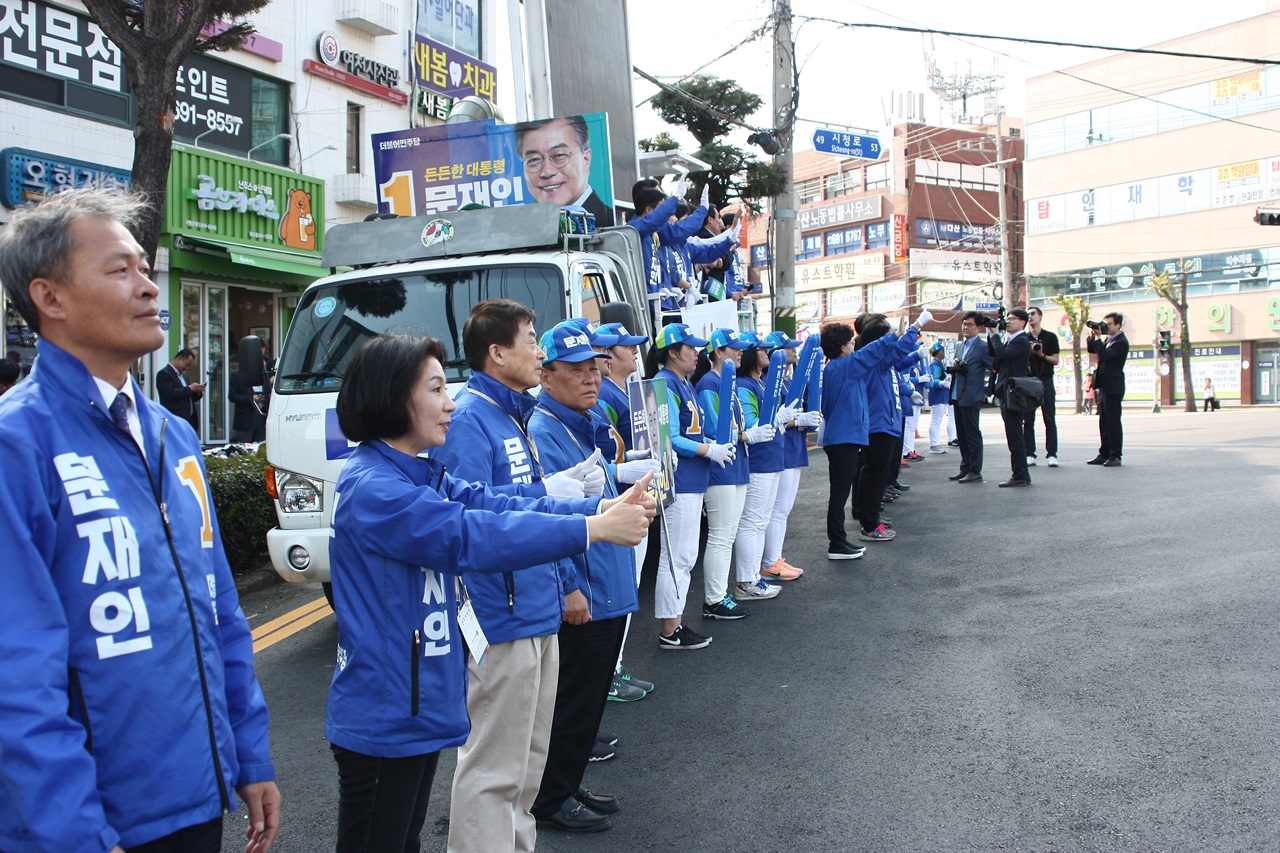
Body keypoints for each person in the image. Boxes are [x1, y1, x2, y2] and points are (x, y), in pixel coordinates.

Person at [0, 187, 280, 853]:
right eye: (120, 270)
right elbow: (17, 671)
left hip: (194, 795)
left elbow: (218, 611)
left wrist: (249, 749)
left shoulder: (173, 437)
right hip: (90, 819)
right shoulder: (18, 442)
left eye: (146, 268)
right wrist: (74, 831)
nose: (148, 288)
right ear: (51, 297)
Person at [326, 333, 650, 852]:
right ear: (391, 397)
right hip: (386, 707)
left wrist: (592, 510)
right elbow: (472, 535)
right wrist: (593, 529)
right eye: (435, 389)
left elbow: (495, 504)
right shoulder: (376, 489)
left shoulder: (416, 474)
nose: (449, 402)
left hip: (415, 699)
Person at [435, 299, 607, 853]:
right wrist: (552, 495)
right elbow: (470, 521)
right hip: (500, 615)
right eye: (531, 339)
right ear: (497, 351)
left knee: (528, 765)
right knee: (493, 767)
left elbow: (530, 516)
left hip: (534, 607)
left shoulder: (514, 412)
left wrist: (559, 585)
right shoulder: (468, 418)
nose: (539, 350)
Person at [527, 322, 658, 834]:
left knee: (586, 702)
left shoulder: (584, 419)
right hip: (587, 588)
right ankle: (552, 798)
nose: (590, 378)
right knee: (572, 703)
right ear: (546, 374)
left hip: (608, 580)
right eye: (576, 370)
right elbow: (548, 520)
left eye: (593, 368)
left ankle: (568, 782)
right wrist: (569, 587)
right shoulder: (543, 430)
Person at [820, 309, 931, 559]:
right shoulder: (842, 367)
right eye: (850, 343)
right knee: (839, 495)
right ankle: (836, 543)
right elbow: (872, 351)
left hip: (844, 437)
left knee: (841, 493)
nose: (854, 346)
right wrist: (903, 332)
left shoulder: (841, 367)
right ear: (841, 347)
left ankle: (839, 541)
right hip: (843, 438)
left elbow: (877, 356)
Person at [652, 323, 735, 649]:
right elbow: (670, 438)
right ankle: (670, 629)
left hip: (692, 479)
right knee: (677, 557)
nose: (698, 352)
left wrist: (710, 444)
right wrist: (707, 450)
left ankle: (675, 623)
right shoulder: (664, 383)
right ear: (673, 351)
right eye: (692, 347)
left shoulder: (683, 383)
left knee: (684, 555)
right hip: (679, 481)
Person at [694, 327, 761, 617]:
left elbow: (735, 424)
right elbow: (712, 428)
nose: (739, 352)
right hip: (721, 465)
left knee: (728, 535)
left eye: (740, 347)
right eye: (733, 348)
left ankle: (719, 597)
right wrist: (744, 436)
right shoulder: (710, 382)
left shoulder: (727, 380)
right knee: (721, 536)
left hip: (736, 462)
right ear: (718, 351)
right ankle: (714, 600)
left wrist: (745, 433)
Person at [759, 330, 820, 582]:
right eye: (787, 347)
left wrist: (805, 421)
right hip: (779, 450)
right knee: (776, 510)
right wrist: (798, 420)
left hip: (793, 448)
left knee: (784, 509)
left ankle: (776, 558)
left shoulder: (785, 380)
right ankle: (770, 562)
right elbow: (769, 421)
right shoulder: (769, 381)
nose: (793, 351)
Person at [733, 334, 787, 598]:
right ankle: (746, 581)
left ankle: (753, 577)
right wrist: (780, 417)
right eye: (762, 349)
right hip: (759, 462)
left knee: (760, 521)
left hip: (770, 459)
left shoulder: (760, 383)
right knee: (752, 522)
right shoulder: (744, 384)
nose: (767, 352)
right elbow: (752, 424)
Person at [515, 116, 614, 227]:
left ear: (586, 158)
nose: (547, 172)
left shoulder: (610, 226)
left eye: (559, 155)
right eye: (533, 160)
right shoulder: (523, 231)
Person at [987, 308, 1033, 487]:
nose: (1008, 322)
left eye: (1012, 319)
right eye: (1008, 318)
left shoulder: (1021, 340)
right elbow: (994, 354)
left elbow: (1003, 355)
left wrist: (995, 335)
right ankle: (1021, 474)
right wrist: (993, 335)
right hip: (1006, 391)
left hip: (1013, 393)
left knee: (1015, 435)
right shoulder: (1010, 339)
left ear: (1022, 322)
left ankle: (1020, 474)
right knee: (1013, 434)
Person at [949, 311, 994, 484]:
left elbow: (994, 368)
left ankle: (975, 470)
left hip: (972, 395)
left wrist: (987, 391)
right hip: (957, 394)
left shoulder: (983, 347)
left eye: (970, 325)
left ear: (979, 327)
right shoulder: (960, 346)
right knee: (962, 434)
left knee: (972, 434)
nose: (966, 327)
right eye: (964, 324)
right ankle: (965, 467)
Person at [1087, 312, 1129, 467]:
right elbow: (1093, 350)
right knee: (1103, 421)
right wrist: (1092, 336)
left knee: (1113, 422)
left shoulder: (1121, 342)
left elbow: (1104, 355)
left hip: (1114, 386)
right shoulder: (1107, 340)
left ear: (1118, 325)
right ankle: (1104, 453)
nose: (1106, 327)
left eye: (1109, 324)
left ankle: (1115, 455)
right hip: (1103, 385)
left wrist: (1098, 339)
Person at [1024, 306, 1061, 467]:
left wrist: (1041, 355)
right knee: (1028, 420)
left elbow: (1056, 360)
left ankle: (1052, 454)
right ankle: (1029, 453)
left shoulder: (1050, 337)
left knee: (1049, 419)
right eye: (1028, 315)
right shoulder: (1024, 338)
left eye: (1033, 314)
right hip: (1029, 382)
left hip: (1046, 380)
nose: (1030, 317)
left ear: (1040, 316)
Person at [156, 346, 205, 432]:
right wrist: (190, 388)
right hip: (174, 419)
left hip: (189, 420)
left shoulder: (184, 376)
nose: (187, 368)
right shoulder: (164, 374)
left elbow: (188, 396)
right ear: (180, 358)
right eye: (187, 365)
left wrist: (197, 391)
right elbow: (170, 393)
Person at [228, 357, 267, 442]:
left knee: (261, 447)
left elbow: (269, 391)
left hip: (262, 416)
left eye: (264, 364)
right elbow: (232, 396)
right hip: (245, 418)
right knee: (245, 447)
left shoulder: (264, 376)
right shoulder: (237, 376)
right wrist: (251, 399)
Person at [923, 342, 952, 453]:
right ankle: (934, 444)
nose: (944, 352)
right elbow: (934, 380)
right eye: (943, 350)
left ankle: (935, 443)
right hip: (938, 395)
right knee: (936, 420)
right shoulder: (935, 364)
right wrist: (941, 383)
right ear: (938, 352)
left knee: (938, 420)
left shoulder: (939, 364)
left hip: (942, 395)